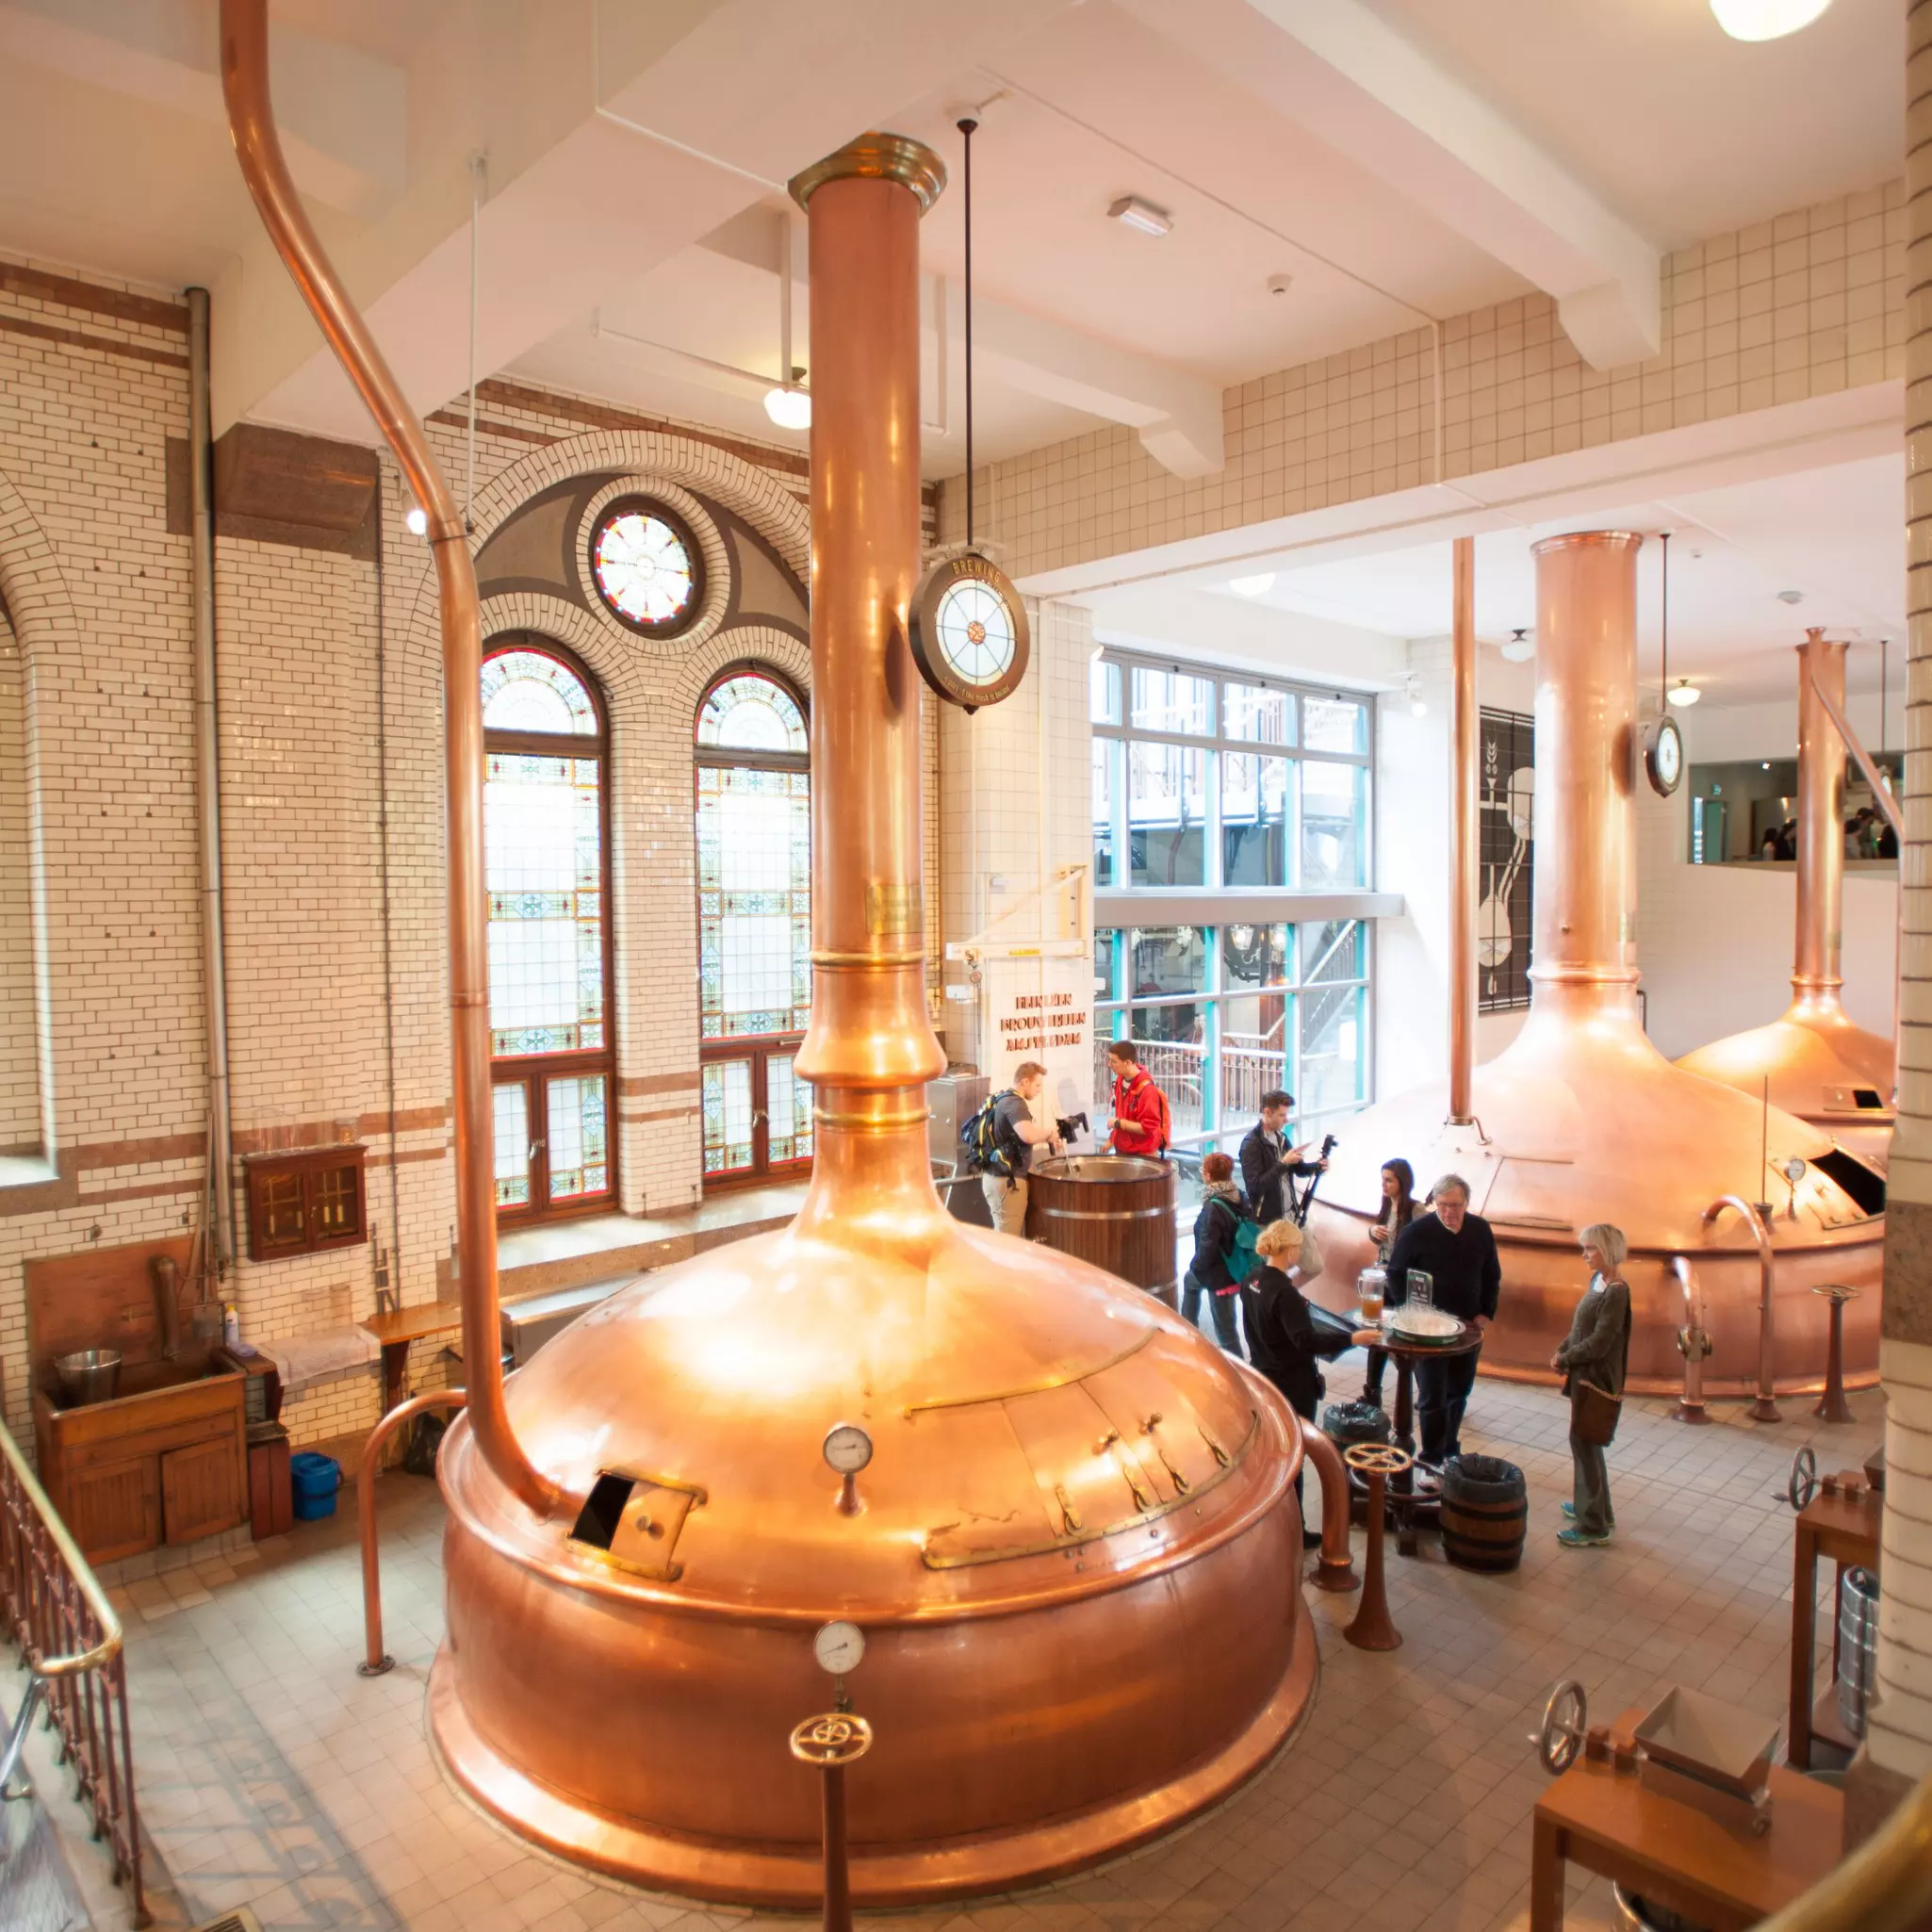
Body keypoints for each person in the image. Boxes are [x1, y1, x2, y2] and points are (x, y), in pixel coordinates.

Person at [1245, 1218, 1349, 1548]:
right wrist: (1351, 1338)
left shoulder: (1252, 1279)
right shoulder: (1285, 1293)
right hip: (1293, 1384)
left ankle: (1271, 1523)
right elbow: (1306, 1341)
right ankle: (1296, 1531)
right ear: (1289, 1251)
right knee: (1295, 1456)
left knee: (1273, 1453)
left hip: (1263, 1376)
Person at [1384, 1173, 1500, 1465]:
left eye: (1455, 1205)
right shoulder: (1416, 1232)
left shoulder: (1480, 1230)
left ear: (1467, 1203)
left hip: (1468, 1328)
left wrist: (1486, 1311)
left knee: (1459, 1391)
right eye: (1443, 1205)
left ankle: (1449, 1451)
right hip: (1428, 1329)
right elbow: (1395, 1273)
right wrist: (1409, 1312)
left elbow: (1491, 1273)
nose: (1449, 1212)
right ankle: (1431, 1459)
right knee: (1432, 1396)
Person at [1550, 1222, 1632, 1549]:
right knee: (1587, 1440)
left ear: (1607, 1250)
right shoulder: (1598, 1281)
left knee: (1584, 1440)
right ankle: (1598, 1508)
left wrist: (1567, 1357)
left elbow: (1600, 1342)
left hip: (1596, 1377)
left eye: (1590, 1249)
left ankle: (1592, 1524)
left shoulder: (1617, 1292)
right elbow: (1581, 1327)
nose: (1584, 1255)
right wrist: (1563, 1349)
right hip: (1582, 1372)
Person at [978, 1061, 1063, 1238]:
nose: (1039, 1090)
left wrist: (1046, 1137)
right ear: (1025, 1082)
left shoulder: (1004, 1099)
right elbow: (1028, 1135)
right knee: (1008, 1241)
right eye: (1037, 1085)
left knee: (1006, 1235)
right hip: (1007, 1182)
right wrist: (1049, 1133)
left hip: (998, 1178)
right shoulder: (1015, 1104)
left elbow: (1021, 1136)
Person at [1182, 1153, 1252, 1356]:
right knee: (1190, 1280)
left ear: (1208, 1176)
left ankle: (1189, 1335)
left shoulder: (1213, 1207)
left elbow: (1208, 1247)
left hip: (1220, 1276)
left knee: (1226, 1334)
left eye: (1203, 1170)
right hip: (1239, 1268)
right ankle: (1188, 1331)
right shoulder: (1240, 1196)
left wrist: (1196, 1266)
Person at [1362, 1158, 1417, 1408]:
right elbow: (1382, 1239)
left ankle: (1426, 1392)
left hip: (1401, 1282)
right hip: (1382, 1281)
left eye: (1389, 1180)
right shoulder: (1387, 1206)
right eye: (1382, 1180)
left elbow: (1421, 1246)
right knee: (1376, 1336)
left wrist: (1394, 1267)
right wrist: (1372, 1232)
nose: (1383, 1185)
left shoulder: (1415, 1210)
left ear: (1402, 1182)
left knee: (1407, 1339)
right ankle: (1372, 1391)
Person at [1238, 1089, 1329, 1225]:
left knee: (1308, 1240)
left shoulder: (1282, 1138)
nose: (1286, 1120)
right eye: (1282, 1115)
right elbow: (1255, 1188)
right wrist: (1284, 1163)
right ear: (1267, 1112)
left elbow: (1299, 1170)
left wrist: (1317, 1166)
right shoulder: (1251, 1145)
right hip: (1269, 1223)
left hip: (1291, 1215)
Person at [1105, 1040, 1171, 1156]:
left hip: (1142, 1155)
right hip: (1122, 1149)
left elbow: (1148, 1127)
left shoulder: (1147, 1090)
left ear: (1128, 1062)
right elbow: (1122, 1116)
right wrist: (1112, 1139)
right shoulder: (1120, 1081)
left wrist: (1118, 1123)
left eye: (1113, 1061)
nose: (1109, 1065)